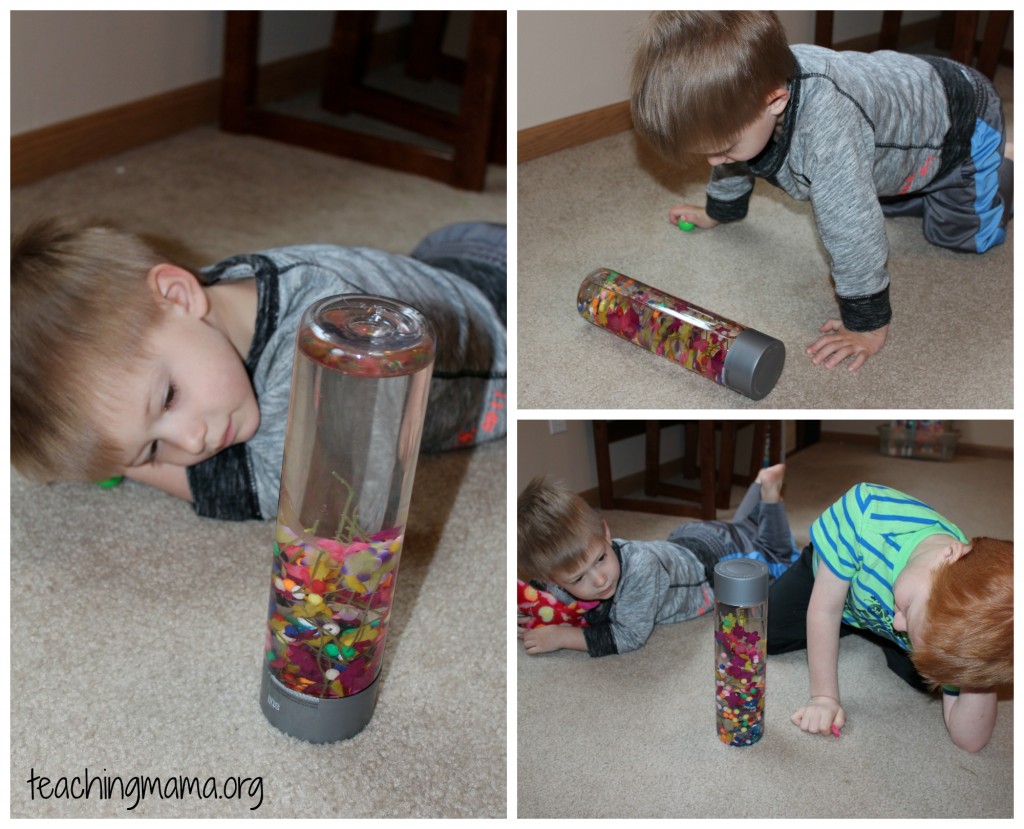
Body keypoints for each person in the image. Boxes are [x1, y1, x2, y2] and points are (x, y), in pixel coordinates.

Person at [11, 218, 507, 521]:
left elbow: (289, 493)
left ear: (178, 294)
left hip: (501, 321)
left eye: (168, 400)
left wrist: (130, 465)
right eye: (154, 447)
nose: (192, 443)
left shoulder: (325, 355)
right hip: (443, 264)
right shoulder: (203, 316)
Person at [630, 11, 1013, 371]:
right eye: (706, 152)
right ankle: (928, 189)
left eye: (724, 147)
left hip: (961, 127)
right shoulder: (754, 88)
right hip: (899, 119)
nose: (715, 161)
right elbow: (736, 160)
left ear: (776, 101)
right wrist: (719, 212)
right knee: (875, 199)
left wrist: (866, 324)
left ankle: (1000, 173)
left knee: (958, 235)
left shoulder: (828, 131)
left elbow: (852, 232)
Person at [767, 482, 1013, 752]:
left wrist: (978, 671)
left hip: (886, 612)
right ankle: (773, 539)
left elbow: (970, 740)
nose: (899, 625)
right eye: (908, 610)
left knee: (926, 675)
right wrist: (824, 697)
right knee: (767, 633)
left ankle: (866, 626)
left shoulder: (953, 629)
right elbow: (825, 611)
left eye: (909, 625)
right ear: (948, 556)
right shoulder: (865, 513)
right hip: (832, 581)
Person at [517, 464, 797, 656]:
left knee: (775, 558)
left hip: (715, 562)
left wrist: (561, 637)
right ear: (555, 579)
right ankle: (760, 482)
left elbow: (629, 636)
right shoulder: (570, 571)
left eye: (601, 559)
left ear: (605, 532)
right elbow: (540, 590)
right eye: (578, 579)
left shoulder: (639, 571)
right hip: (688, 539)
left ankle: (770, 495)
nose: (599, 579)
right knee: (741, 527)